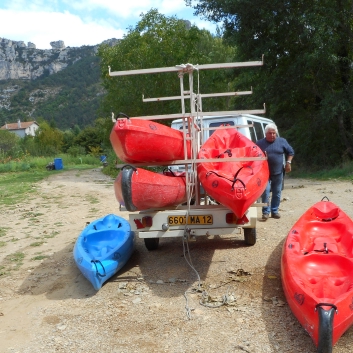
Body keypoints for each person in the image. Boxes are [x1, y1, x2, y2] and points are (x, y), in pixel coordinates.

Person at [256, 123, 294, 220]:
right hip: (264, 174)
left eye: (274, 133)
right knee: (266, 192)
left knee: (277, 192)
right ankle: (265, 212)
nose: (272, 135)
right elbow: (253, 155)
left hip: (278, 172)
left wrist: (288, 162)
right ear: (265, 134)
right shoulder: (259, 144)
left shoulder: (282, 141)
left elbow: (290, 152)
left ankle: (274, 211)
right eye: (270, 133)